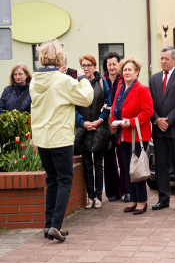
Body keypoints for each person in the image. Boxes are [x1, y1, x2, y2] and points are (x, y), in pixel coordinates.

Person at [30, 39, 93, 242]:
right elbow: (86, 97)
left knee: (52, 180)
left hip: (42, 139)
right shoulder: (63, 81)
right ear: (60, 58)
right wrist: (82, 78)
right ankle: (56, 226)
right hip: (60, 138)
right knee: (65, 180)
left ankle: (48, 225)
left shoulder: (35, 80)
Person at [149, 46, 175, 212]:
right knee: (160, 166)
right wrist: (157, 120)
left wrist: (168, 121)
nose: (163, 62)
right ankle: (163, 198)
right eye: (161, 59)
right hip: (158, 130)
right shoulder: (153, 79)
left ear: (174, 59)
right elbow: (149, 103)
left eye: (166, 58)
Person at [110, 56, 153, 215]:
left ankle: (142, 201)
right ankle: (133, 199)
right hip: (122, 135)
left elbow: (147, 111)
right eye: (125, 70)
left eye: (130, 70)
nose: (127, 72)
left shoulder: (142, 89)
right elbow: (116, 109)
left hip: (137, 135)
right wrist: (114, 120)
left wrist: (131, 121)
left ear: (137, 72)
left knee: (137, 169)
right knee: (127, 169)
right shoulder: (121, 89)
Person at [75, 55, 111, 210]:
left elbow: (108, 103)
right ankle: (90, 197)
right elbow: (73, 107)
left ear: (95, 67)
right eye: (83, 65)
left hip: (98, 129)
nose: (86, 68)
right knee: (87, 166)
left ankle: (98, 197)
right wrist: (83, 122)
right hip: (84, 130)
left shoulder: (102, 82)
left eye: (89, 65)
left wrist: (100, 120)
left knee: (98, 165)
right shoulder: (76, 84)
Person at [102, 52, 130, 202]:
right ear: (106, 66)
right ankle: (113, 191)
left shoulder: (124, 78)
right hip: (106, 124)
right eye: (109, 64)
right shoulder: (102, 80)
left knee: (123, 157)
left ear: (119, 64)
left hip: (121, 124)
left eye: (114, 64)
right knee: (108, 158)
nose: (112, 67)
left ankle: (127, 190)